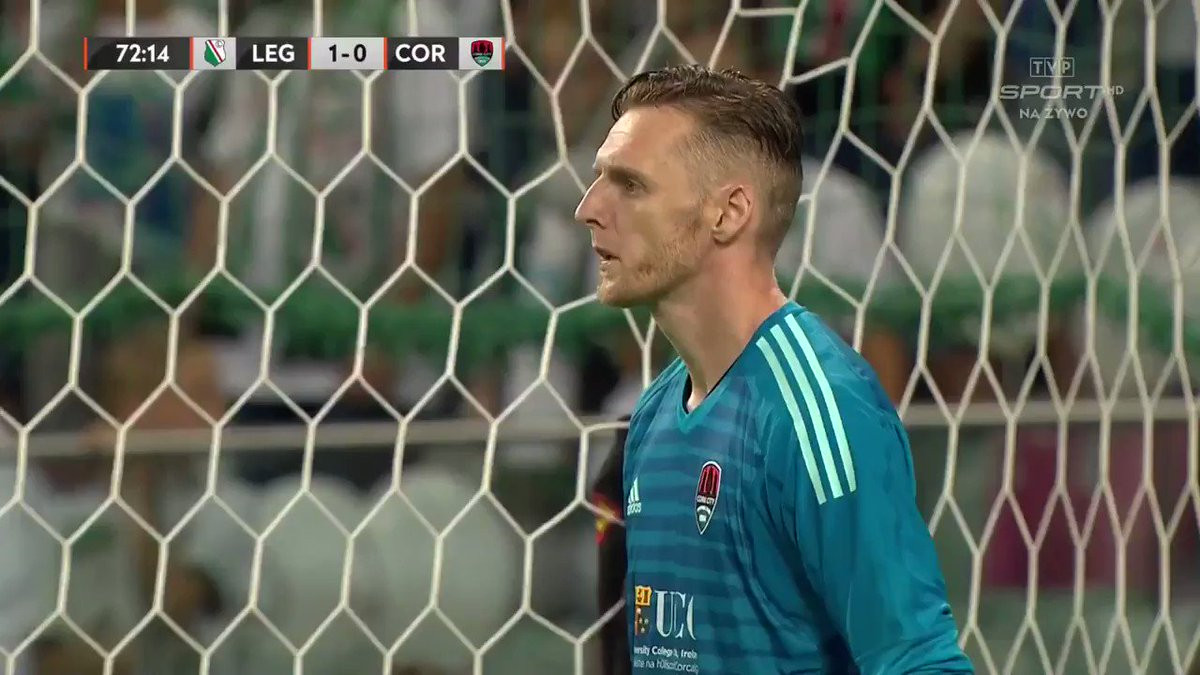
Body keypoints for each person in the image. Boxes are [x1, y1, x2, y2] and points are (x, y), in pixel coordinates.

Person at [575, 64, 973, 673]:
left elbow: (917, 659)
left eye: (630, 185)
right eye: (599, 179)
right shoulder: (653, 417)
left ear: (729, 212)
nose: (588, 208)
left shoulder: (818, 410)